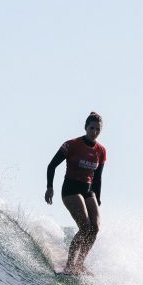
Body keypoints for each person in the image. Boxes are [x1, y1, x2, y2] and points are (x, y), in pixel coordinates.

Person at [45, 112, 106, 275]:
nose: (94, 132)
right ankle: (70, 265)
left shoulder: (101, 151)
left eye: (97, 129)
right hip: (70, 190)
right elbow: (51, 166)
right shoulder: (71, 145)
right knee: (85, 227)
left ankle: (80, 263)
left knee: (95, 228)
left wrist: (97, 199)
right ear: (85, 127)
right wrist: (50, 187)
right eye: (92, 128)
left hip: (88, 190)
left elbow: (98, 178)